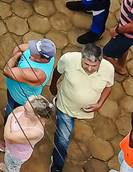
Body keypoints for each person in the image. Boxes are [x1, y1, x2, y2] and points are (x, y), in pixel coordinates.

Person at [49, 44, 115, 172]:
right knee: (62, 140)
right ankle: (57, 165)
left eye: (94, 66)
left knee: (66, 132)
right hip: (65, 108)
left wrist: (100, 103)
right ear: (81, 58)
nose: (90, 68)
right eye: (86, 64)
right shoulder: (68, 59)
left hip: (85, 111)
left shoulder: (109, 69)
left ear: (100, 62)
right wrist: (53, 86)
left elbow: (109, 86)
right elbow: (58, 71)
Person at [0, 96, 51, 172]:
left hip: (16, 155)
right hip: (10, 147)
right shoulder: (28, 110)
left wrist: (10, 116)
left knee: (12, 169)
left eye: (27, 111)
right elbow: (17, 109)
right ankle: (7, 167)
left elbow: (8, 136)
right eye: (25, 106)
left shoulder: (35, 132)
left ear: (37, 116)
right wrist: (11, 115)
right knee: (8, 162)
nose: (23, 109)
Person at [1, 39, 56, 117]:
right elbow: (19, 47)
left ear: (43, 58)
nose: (31, 50)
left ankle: (8, 119)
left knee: (12, 113)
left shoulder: (38, 75)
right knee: (9, 103)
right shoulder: (48, 56)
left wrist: (16, 57)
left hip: (19, 98)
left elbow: (7, 71)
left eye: (35, 52)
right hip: (12, 90)